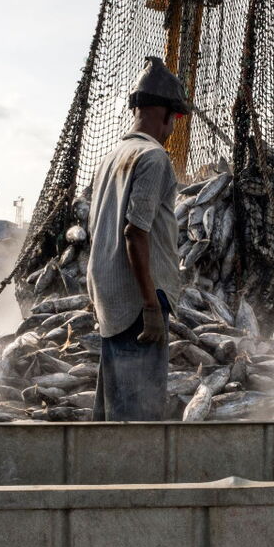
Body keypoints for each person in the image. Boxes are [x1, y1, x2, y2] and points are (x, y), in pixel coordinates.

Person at [87, 56, 188, 421]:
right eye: (175, 120)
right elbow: (135, 232)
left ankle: (103, 473)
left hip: (109, 299)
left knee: (114, 408)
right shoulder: (153, 156)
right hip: (137, 304)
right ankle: (132, 475)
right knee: (138, 418)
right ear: (164, 114)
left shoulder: (112, 157)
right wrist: (149, 306)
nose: (173, 129)